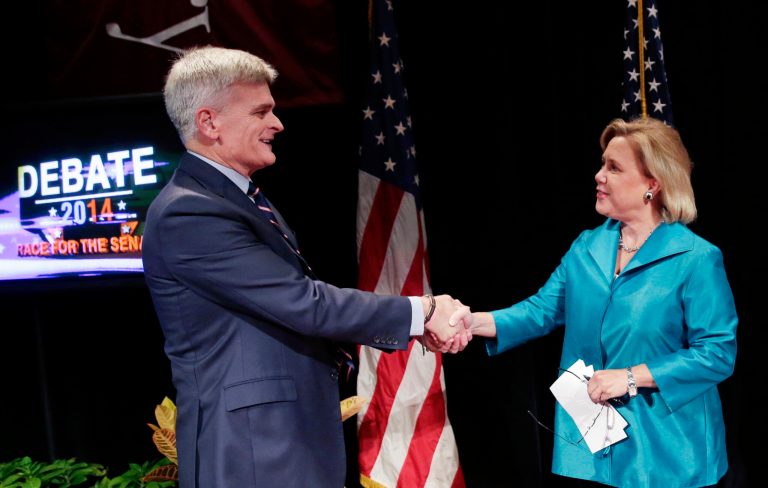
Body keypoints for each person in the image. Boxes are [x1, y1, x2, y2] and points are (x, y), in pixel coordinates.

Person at [141, 46, 470, 488]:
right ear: (209, 122)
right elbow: (303, 303)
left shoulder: (234, 198)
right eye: (261, 112)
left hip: (279, 441)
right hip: (253, 451)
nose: (277, 124)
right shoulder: (191, 213)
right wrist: (422, 311)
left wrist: (414, 322)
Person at [457, 117, 737, 487]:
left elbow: (717, 354)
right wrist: (470, 322)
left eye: (614, 168)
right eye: (602, 164)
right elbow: (540, 311)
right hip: (594, 448)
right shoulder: (587, 247)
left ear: (652, 184)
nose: (598, 176)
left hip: (667, 451)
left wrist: (630, 378)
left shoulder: (695, 258)